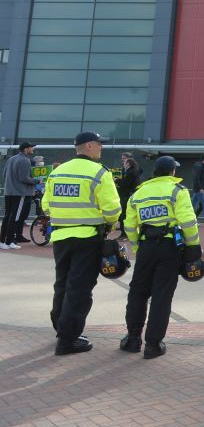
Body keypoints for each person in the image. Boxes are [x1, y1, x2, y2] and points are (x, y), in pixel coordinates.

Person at [45, 131, 121, 355]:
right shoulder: (99, 172)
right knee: (79, 289)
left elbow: (46, 206)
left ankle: (61, 328)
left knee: (62, 284)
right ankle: (68, 340)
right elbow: (113, 209)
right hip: (88, 238)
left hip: (60, 237)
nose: (101, 148)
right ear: (88, 146)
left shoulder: (57, 172)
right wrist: (109, 222)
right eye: (99, 144)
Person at [121, 156, 200, 359]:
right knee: (161, 296)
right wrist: (193, 247)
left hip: (145, 246)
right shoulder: (177, 191)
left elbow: (129, 226)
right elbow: (188, 222)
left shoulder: (138, 193)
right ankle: (153, 345)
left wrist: (138, 247)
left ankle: (132, 339)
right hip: (169, 247)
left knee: (137, 292)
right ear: (173, 172)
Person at [1, 141, 38, 249]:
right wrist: (36, 181)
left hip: (9, 192)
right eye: (31, 147)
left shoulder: (11, 159)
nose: (33, 149)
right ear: (26, 149)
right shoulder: (25, 160)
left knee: (7, 217)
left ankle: (3, 241)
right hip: (19, 193)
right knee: (15, 218)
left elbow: (4, 174)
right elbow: (24, 178)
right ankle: (9, 242)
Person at [115, 153, 141, 240]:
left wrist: (117, 180)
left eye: (125, 161)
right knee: (127, 215)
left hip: (127, 196)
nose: (123, 163)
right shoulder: (134, 170)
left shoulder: (130, 172)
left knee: (124, 215)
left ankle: (124, 234)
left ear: (129, 163)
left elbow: (126, 184)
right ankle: (126, 232)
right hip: (129, 195)